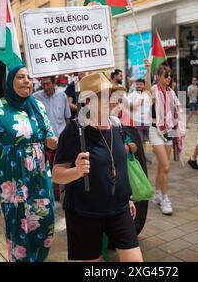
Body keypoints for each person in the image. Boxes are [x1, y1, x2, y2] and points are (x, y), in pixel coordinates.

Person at [53, 72, 143, 262]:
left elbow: (119, 165)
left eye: (110, 94)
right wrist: (76, 171)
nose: (110, 100)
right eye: (101, 96)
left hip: (120, 208)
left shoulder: (117, 126)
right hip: (85, 212)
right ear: (86, 101)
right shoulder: (75, 130)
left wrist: (127, 198)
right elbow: (57, 175)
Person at [0, 66, 58, 262]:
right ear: (10, 82)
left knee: (45, 222)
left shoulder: (37, 105)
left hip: (38, 173)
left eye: (29, 78)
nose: (26, 81)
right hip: (11, 175)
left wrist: (50, 140)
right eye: (20, 77)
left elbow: (47, 130)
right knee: (19, 226)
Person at [148, 65, 185, 216]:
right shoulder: (154, 90)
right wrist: (147, 69)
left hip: (168, 130)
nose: (168, 78)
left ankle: (157, 194)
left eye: (170, 76)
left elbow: (178, 110)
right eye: (165, 76)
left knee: (161, 167)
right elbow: (146, 88)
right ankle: (165, 198)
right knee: (166, 166)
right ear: (158, 76)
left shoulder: (171, 93)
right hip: (155, 129)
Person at [127, 78, 152, 162]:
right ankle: (138, 157)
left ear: (144, 85)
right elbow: (128, 107)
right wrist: (137, 104)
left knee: (144, 141)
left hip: (146, 121)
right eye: (137, 84)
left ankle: (144, 156)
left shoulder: (146, 95)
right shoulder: (131, 95)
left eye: (141, 84)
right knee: (138, 140)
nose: (139, 86)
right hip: (136, 121)